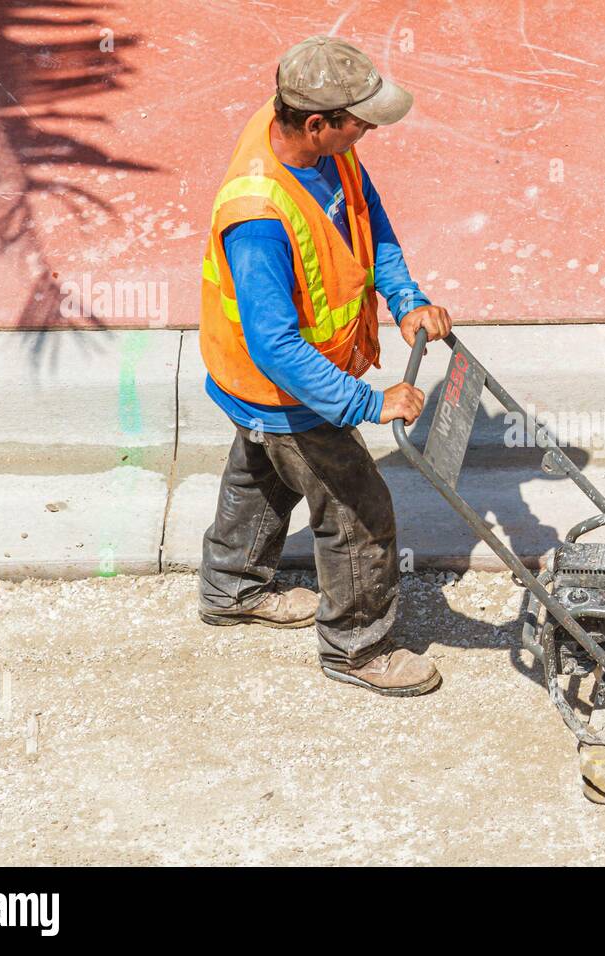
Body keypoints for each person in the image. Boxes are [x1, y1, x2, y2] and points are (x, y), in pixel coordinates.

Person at [196, 36, 450, 697]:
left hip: (261, 389)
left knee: (262, 474)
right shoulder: (258, 218)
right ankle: (358, 647)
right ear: (317, 123)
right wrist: (370, 403)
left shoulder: (316, 143)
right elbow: (277, 348)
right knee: (358, 509)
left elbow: (371, 221)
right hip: (288, 386)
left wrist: (406, 299)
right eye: (359, 120)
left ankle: (232, 588)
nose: (368, 130)